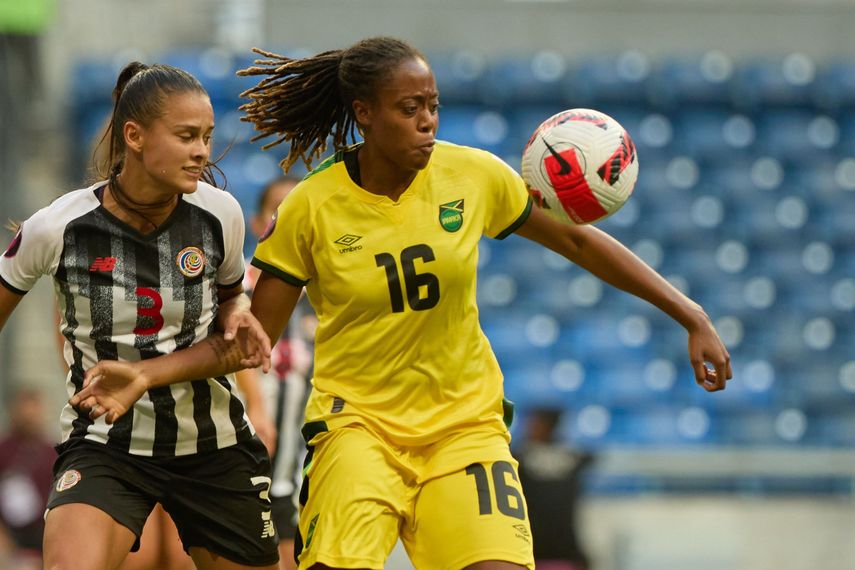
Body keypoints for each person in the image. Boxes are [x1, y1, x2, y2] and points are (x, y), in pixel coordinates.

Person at [74, 37, 733, 570]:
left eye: (433, 106)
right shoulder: (312, 208)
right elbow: (246, 345)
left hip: (464, 428)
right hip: (357, 431)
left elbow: (579, 242)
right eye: (409, 107)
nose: (427, 122)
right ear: (364, 113)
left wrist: (691, 315)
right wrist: (148, 373)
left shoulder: (472, 176)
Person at [0, 61, 277, 570]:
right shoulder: (58, 227)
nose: (202, 151)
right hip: (105, 444)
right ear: (134, 136)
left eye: (207, 137)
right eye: (186, 136)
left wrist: (240, 309)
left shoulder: (221, 215)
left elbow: (232, 299)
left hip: (211, 444)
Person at [235, 176, 315, 570]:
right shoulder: (238, 288)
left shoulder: (323, 292)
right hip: (249, 445)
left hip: (299, 457)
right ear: (256, 224)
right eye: (276, 211)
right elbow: (234, 351)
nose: (287, 221)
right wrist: (255, 404)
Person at [515, 408, 595, 570]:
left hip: (539, 550)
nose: (530, 428)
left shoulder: (519, 457)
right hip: (551, 550)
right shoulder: (573, 456)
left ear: (548, 426)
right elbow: (591, 457)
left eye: (535, 423)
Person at [0, 388, 55, 570]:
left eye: (33, 410)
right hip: (8, 536)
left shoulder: (52, 453)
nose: (29, 416)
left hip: (44, 534)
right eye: (24, 410)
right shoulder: (3, 451)